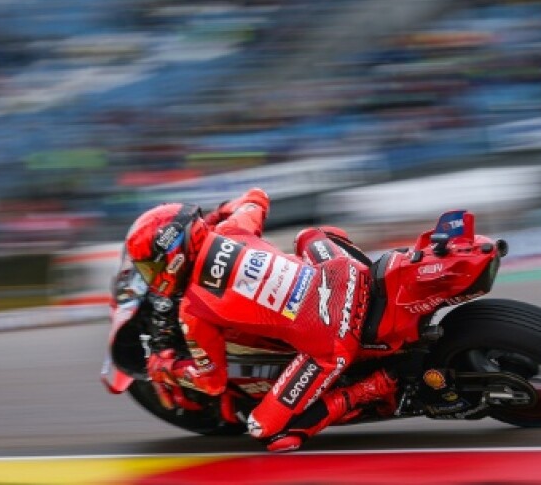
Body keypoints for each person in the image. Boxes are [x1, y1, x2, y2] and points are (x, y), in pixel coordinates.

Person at [122, 187, 397, 451]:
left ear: (174, 258)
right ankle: (377, 284)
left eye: (151, 268)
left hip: (332, 337)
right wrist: (214, 217)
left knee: (265, 429)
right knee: (310, 235)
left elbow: (212, 383)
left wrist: (166, 367)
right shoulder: (230, 229)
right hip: (343, 275)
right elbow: (257, 198)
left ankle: (369, 388)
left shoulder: (193, 310)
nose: (151, 277)